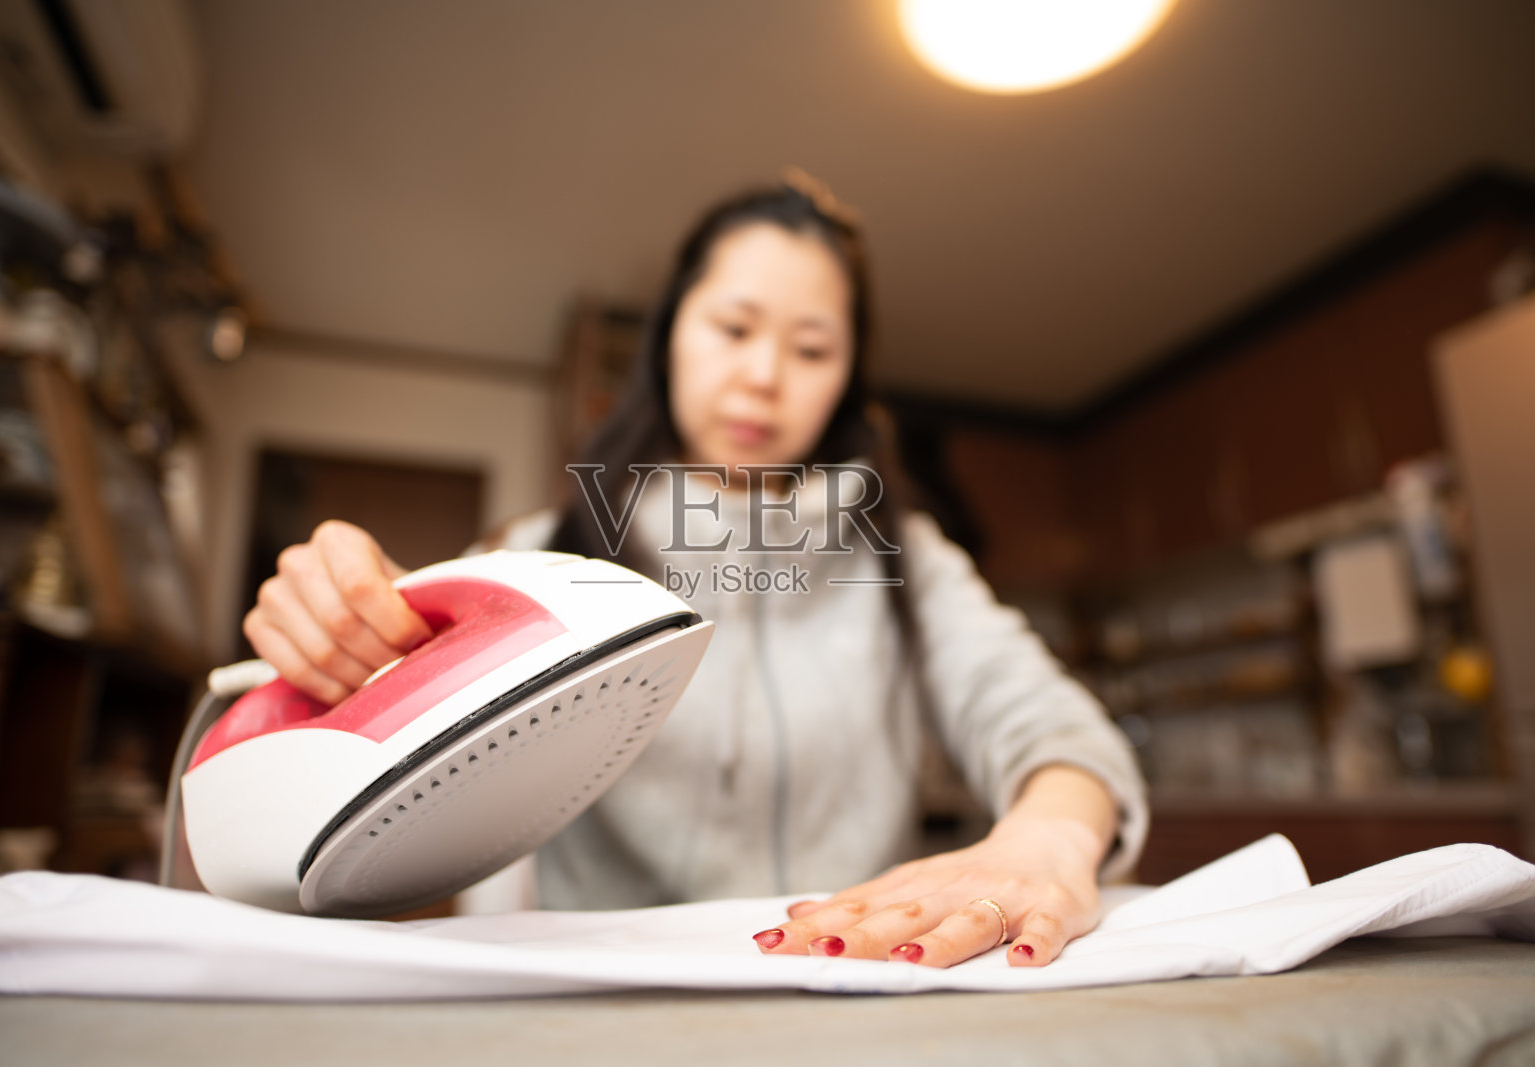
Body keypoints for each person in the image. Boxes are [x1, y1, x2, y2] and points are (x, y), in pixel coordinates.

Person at [243, 176, 1148, 970]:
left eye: (812, 348)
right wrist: (357, 636)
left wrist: (1046, 839)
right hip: (598, 1017)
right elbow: (411, 757)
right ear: (671, 334)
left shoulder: (908, 559)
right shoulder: (545, 549)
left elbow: (1050, 725)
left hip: (849, 998)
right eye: (733, 327)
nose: (763, 375)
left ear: (846, 378)